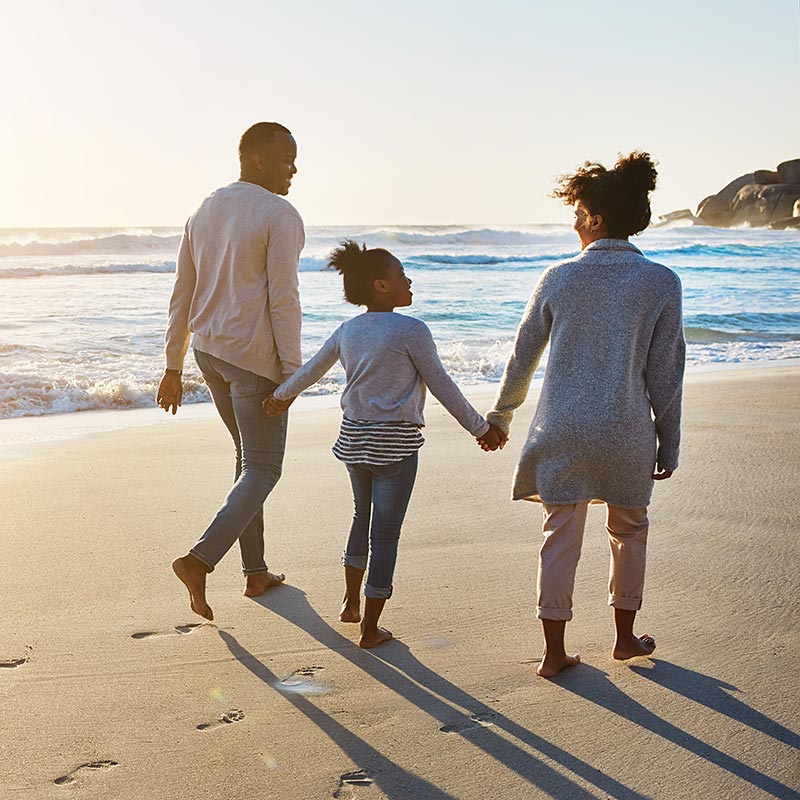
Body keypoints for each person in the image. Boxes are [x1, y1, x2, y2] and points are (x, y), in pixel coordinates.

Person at [486, 152, 685, 677]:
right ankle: (624, 640)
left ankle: (554, 653)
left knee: (560, 536)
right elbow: (666, 372)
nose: (573, 221)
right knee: (629, 530)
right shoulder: (661, 281)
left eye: (577, 212)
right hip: (627, 431)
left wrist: (503, 415)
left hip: (563, 430)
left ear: (596, 219)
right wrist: (671, 440)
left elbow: (522, 355)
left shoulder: (557, 277)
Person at [264, 240, 506, 648]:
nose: (408, 281)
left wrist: (280, 397)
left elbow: (311, 371)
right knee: (386, 533)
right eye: (401, 275)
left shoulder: (348, 330)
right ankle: (370, 628)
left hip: (354, 439)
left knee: (362, 517)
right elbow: (442, 385)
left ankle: (349, 603)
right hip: (395, 444)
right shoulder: (411, 330)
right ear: (380, 285)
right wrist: (481, 429)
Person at [156, 121, 305, 621]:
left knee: (248, 460)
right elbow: (283, 299)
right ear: (259, 159)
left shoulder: (204, 208)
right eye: (287, 159)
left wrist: (173, 365)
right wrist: (292, 375)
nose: (294, 168)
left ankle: (256, 572)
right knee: (264, 468)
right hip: (253, 359)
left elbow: (183, 293)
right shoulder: (278, 213)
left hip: (209, 354)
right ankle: (200, 560)